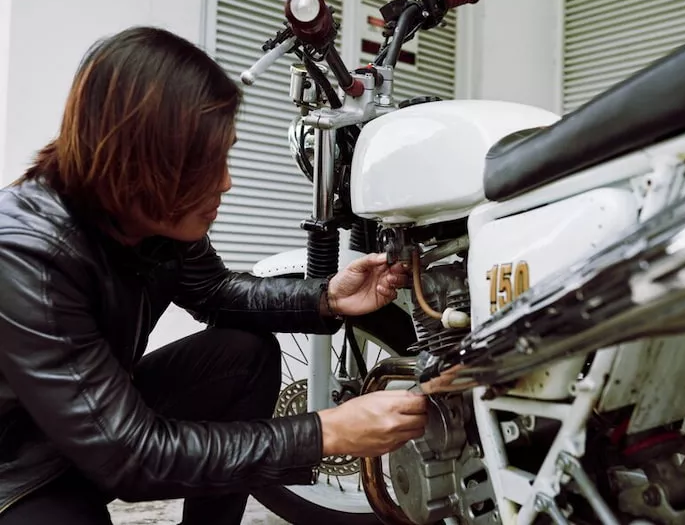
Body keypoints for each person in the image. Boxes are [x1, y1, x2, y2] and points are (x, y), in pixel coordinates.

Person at [0, 26, 427, 525]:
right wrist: (324, 432)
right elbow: (127, 455)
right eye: (208, 163)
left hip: (91, 422)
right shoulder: (28, 255)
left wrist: (327, 297)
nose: (226, 181)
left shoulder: (145, 216)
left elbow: (216, 292)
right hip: (19, 468)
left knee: (243, 355)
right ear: (146, 161)